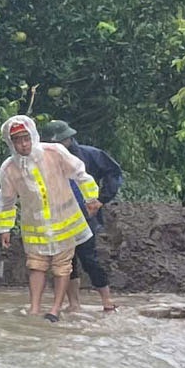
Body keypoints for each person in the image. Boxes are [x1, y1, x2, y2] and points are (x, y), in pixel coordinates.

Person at [0, 114, 98, 324]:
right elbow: (6, 199)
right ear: (11, 143)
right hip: (35, 227)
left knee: (62, 266)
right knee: (36, 266)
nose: (23, 144)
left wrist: (91, 197)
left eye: (26, 138)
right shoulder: (9, 169)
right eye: (18, 141)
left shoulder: (53, 152)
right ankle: (35, 308)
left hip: (65, 221)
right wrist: (4, 228)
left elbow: (79, 172)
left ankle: (55, 309)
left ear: (33, 136)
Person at [45, 120, 122, 314]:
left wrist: (102, 199)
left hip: (86, 216)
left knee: (88, 258)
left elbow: (114, 171)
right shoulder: (45, 160)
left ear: (69, 139)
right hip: (59, 217)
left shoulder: (90, 155)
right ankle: (74, 303)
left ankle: (107, 300)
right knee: (66, 261)